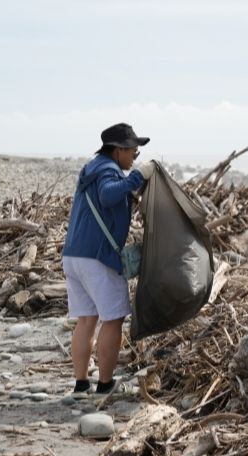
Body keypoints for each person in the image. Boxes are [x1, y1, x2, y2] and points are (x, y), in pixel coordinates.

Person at [62, 122, 155, 395]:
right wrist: (137, 177)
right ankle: (104, 384)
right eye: (133, 153)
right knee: (113, 320)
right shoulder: (107, 170)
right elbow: (107, 194)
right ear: (118, 150)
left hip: (73, 256)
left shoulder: (90, 169)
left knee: (86, 320)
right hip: (98, 259)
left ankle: (81, 384)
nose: (134, 158)